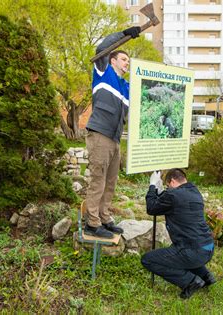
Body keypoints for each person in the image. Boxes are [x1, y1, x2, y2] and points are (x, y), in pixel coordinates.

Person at [84, 26, 142, 239]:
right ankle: (92, 222)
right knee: (98, 180)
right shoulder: (103, 72)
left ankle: (104, 217)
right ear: (113, 61)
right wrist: (125, 34)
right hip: (99, 134)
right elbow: (103, 47)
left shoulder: (125, 87)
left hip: (115, 138)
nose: (127, 64)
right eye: (124, 60)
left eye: (128, 61)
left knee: (111, 181)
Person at [141, 169, 216, 299]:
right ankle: (206, 276)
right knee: (176, 251)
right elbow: (173, 202)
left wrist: (152, 186)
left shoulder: (173, 196)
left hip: (193, 252)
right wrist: (161, 191)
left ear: (173, 181)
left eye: (168, 186)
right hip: (208, 248)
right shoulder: (194, 191)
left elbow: (151, 208)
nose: (168, 188)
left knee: (148, 260)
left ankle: (190, 281)